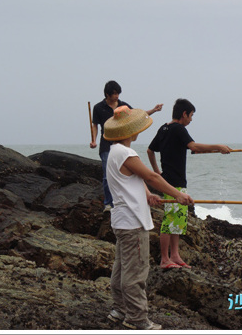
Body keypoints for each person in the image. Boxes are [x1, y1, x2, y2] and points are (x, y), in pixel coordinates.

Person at [103, 105, 194, 331]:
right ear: (130, 131)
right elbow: (152, 175)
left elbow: (134, 180)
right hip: (132, 222)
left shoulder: (114, 152)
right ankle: (136, 319)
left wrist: (148, 195)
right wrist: (178, 194)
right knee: (135, 273)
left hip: (121, 220)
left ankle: (119, 309)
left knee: (122, 268)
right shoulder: (126, 153)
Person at [147, 98, 231, 270]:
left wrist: (157, 171)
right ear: (184, 114)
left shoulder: (164, 128)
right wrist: (218, 146)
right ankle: (164, 259)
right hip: (173, 183)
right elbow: (193, 146)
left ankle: (175, 255)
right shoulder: (178, 128)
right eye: (191, 115)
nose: (191, 119)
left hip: (171, 180)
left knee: (178, 218)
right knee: (169, 220)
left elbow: (150, 150)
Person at [90, 80, 163, 213]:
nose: (117, 96)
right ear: (107, 94)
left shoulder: (123, 106)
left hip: (124, 145)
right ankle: (108, 203)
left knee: (127, 175)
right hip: (107, 145)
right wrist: (93, 140)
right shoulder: (98, 107)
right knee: (108, 175)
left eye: (118, 93)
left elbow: (136, 117)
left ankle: (122, 201)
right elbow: (95, 125)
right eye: (114, 94)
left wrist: (154, 110)